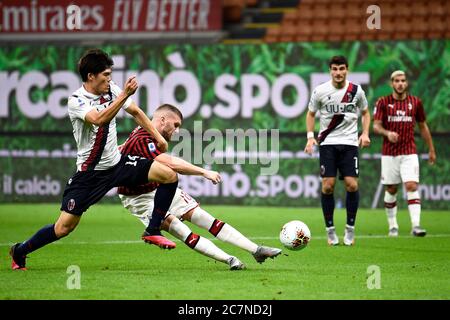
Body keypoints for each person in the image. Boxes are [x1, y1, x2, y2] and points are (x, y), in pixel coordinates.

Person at [9, 49, 179, 270]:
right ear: (91, 76)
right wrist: (122, 96)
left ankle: (153, 230)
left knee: (169, 175)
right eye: (105, 75)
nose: (109, 79)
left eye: (110, 74)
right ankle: (20, 251)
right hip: (90, 174)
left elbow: (135, 112)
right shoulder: (76, 100)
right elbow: (98, 119)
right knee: (63, 228)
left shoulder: (112, 91)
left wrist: (158, 138)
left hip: (117, 164)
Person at [118, 104, 282, 270]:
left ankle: (256, 250)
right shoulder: (143, 139)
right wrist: (204, 172)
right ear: (162, 120)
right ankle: (230, 260)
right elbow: (173, 164)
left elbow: (124, 148)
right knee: (180, 229)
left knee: (203, 218)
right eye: (175, 125)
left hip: (159, 187)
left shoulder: (145, 131)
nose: (177, 131)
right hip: (138, 197)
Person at [304, 55, 371, 246]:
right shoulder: (320, 91)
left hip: (350, 143)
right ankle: (330, 230)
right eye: (335, 69)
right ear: (330, 71)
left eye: (342, 68)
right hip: (328, 143)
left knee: (352, 185)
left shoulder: (356, 91)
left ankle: (350, 229)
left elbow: (366, 113)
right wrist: (310, 137)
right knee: (328, 186)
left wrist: (365, 133)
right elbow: (310, 114)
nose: (338, 72)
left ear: (347, 70)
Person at [373, 70, 436, 237]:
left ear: (406, 83)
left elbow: (423, 126)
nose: (400, 83)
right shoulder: (383, 102)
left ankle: (416, 225)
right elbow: (376, 126)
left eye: (403, 80)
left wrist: (431, 149)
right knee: (391, 189)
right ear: (391, 83)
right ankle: (393, 226)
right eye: (396, 81)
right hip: (389, 153)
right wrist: (387, 133)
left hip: (409, 151)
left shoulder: (415, 102)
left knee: (411, 186)